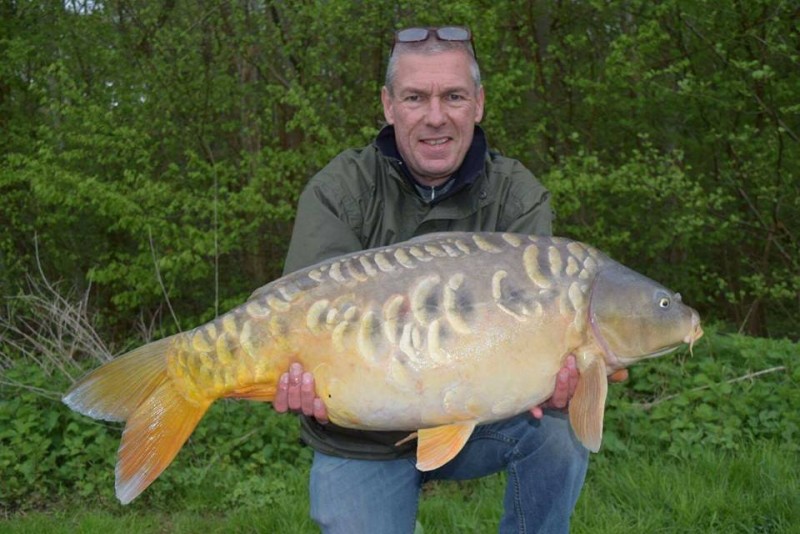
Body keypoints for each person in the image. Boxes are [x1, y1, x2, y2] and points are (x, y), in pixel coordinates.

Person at [273, 26, 617, 533]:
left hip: (481, 420)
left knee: (559, 433)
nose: (436, 116)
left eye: (453, 96)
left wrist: (551, 381)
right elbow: (295, 320)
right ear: (389, 106)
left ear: (478, 104)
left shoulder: (517, 198)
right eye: (416, 97)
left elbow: (543, 334)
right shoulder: (340, 191)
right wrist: (297, 378)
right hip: (362, 434)